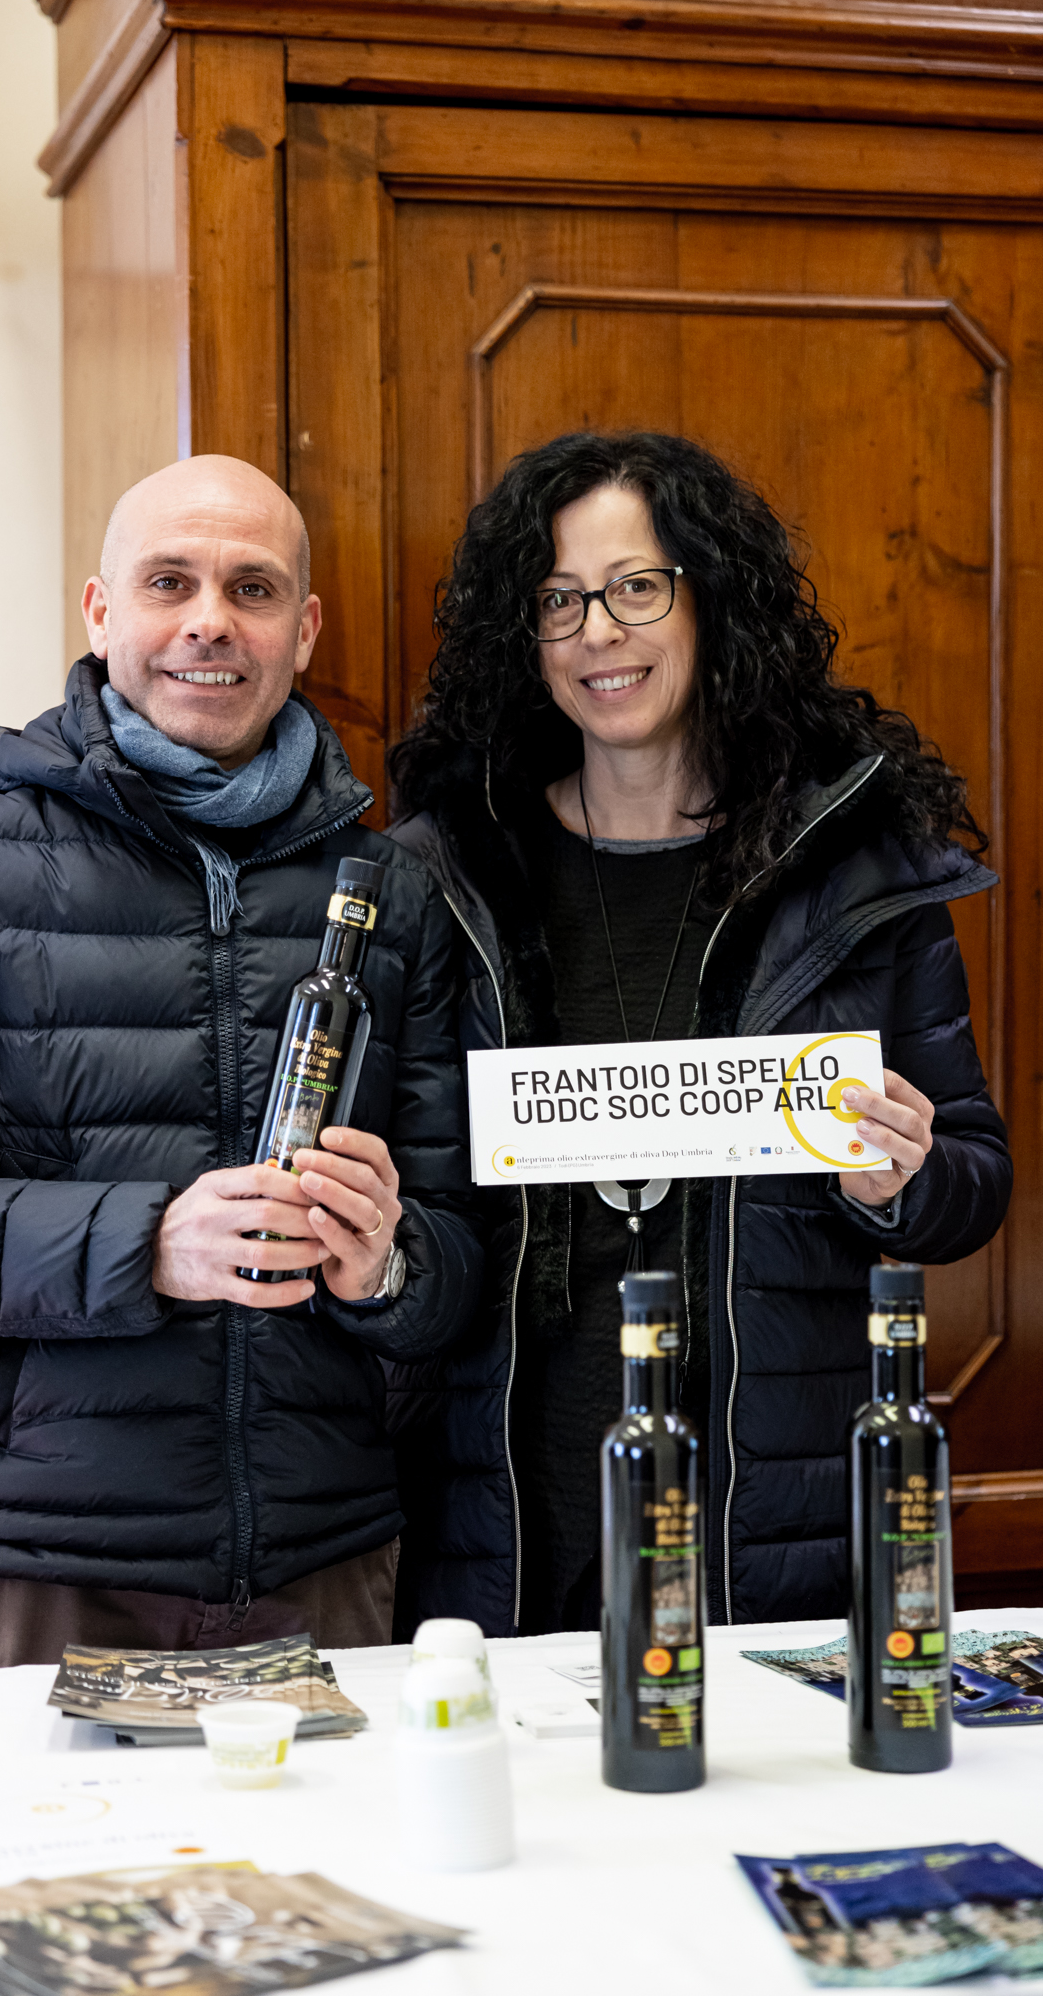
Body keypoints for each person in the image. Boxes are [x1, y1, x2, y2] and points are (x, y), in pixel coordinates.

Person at [0, 454, 481, 1668]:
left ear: (303, 630)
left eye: (252, 588)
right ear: (101, 611)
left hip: (329, 1564)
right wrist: (150, 1242)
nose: (210, 620)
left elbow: (461, 1256)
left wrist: (387, 1264)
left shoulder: (393, 895)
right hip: (43, 1569)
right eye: (170, 581)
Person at [385, 430, 1010, 1636]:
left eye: (635, 586)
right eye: (557, 599)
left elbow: (969, 1183)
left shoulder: (855, 871)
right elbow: (416, 1220)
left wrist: (904, 1179)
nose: (596, 632)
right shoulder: (446, 873)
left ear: (712, 600)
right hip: (508, 1521)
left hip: (770, 1529)